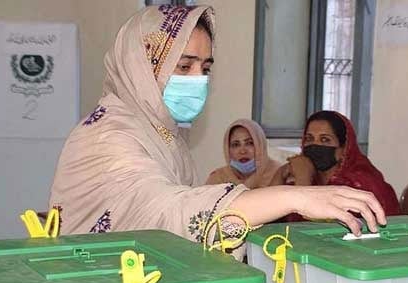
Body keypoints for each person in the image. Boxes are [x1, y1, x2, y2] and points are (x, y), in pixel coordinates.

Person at [49, 5, 386, 250]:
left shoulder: (161, 134)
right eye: (183, 66)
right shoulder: (109, 136)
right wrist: (295, 196)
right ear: (138, 66)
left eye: (205, 68)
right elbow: (166, 212)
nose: (198, 81)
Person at [271, 110, 400, 216]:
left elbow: (311, 231)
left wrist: (303, 179)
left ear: (344, 149)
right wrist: (281, 173)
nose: (315, 145)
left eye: (325, 140)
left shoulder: (359, 185)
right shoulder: (310, 179)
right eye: (309, 139)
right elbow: (265, 214)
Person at [206, 119, 280, 188]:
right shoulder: (218, 179)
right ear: (228, 150)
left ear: (260, 145)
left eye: (249, 143)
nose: (243, 151)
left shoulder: (279, 174)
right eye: (236, 145)